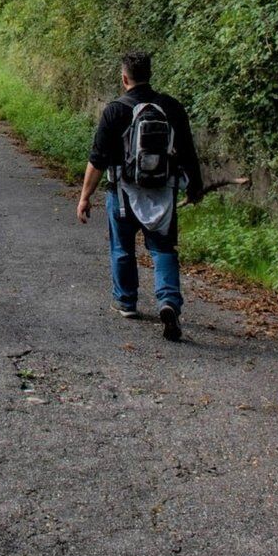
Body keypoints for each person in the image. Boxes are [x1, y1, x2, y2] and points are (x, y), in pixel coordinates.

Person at [76, 50, 203, 341]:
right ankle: (169, 301)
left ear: (124, 78)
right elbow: (188, 153)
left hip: (122, 192)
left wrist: (85, 196)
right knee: (163, 250)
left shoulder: (115, 110)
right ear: (150, 74)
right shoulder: (172, 107)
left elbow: (97, 160)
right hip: (162, 194)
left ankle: (126, 301)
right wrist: (195, 186)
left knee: (122, 247)